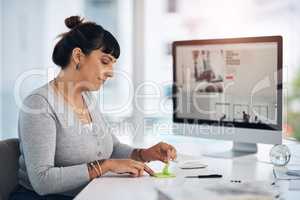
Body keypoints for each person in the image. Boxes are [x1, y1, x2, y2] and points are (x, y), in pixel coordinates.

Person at [9, 16, 177, 200]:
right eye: (105, 61)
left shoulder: (86, 98)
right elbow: (42, 181)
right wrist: (105, 166)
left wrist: (144, 154)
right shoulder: (39, 104)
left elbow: (112, 148)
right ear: (78, 56)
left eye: (113, 64)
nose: (112, 72)